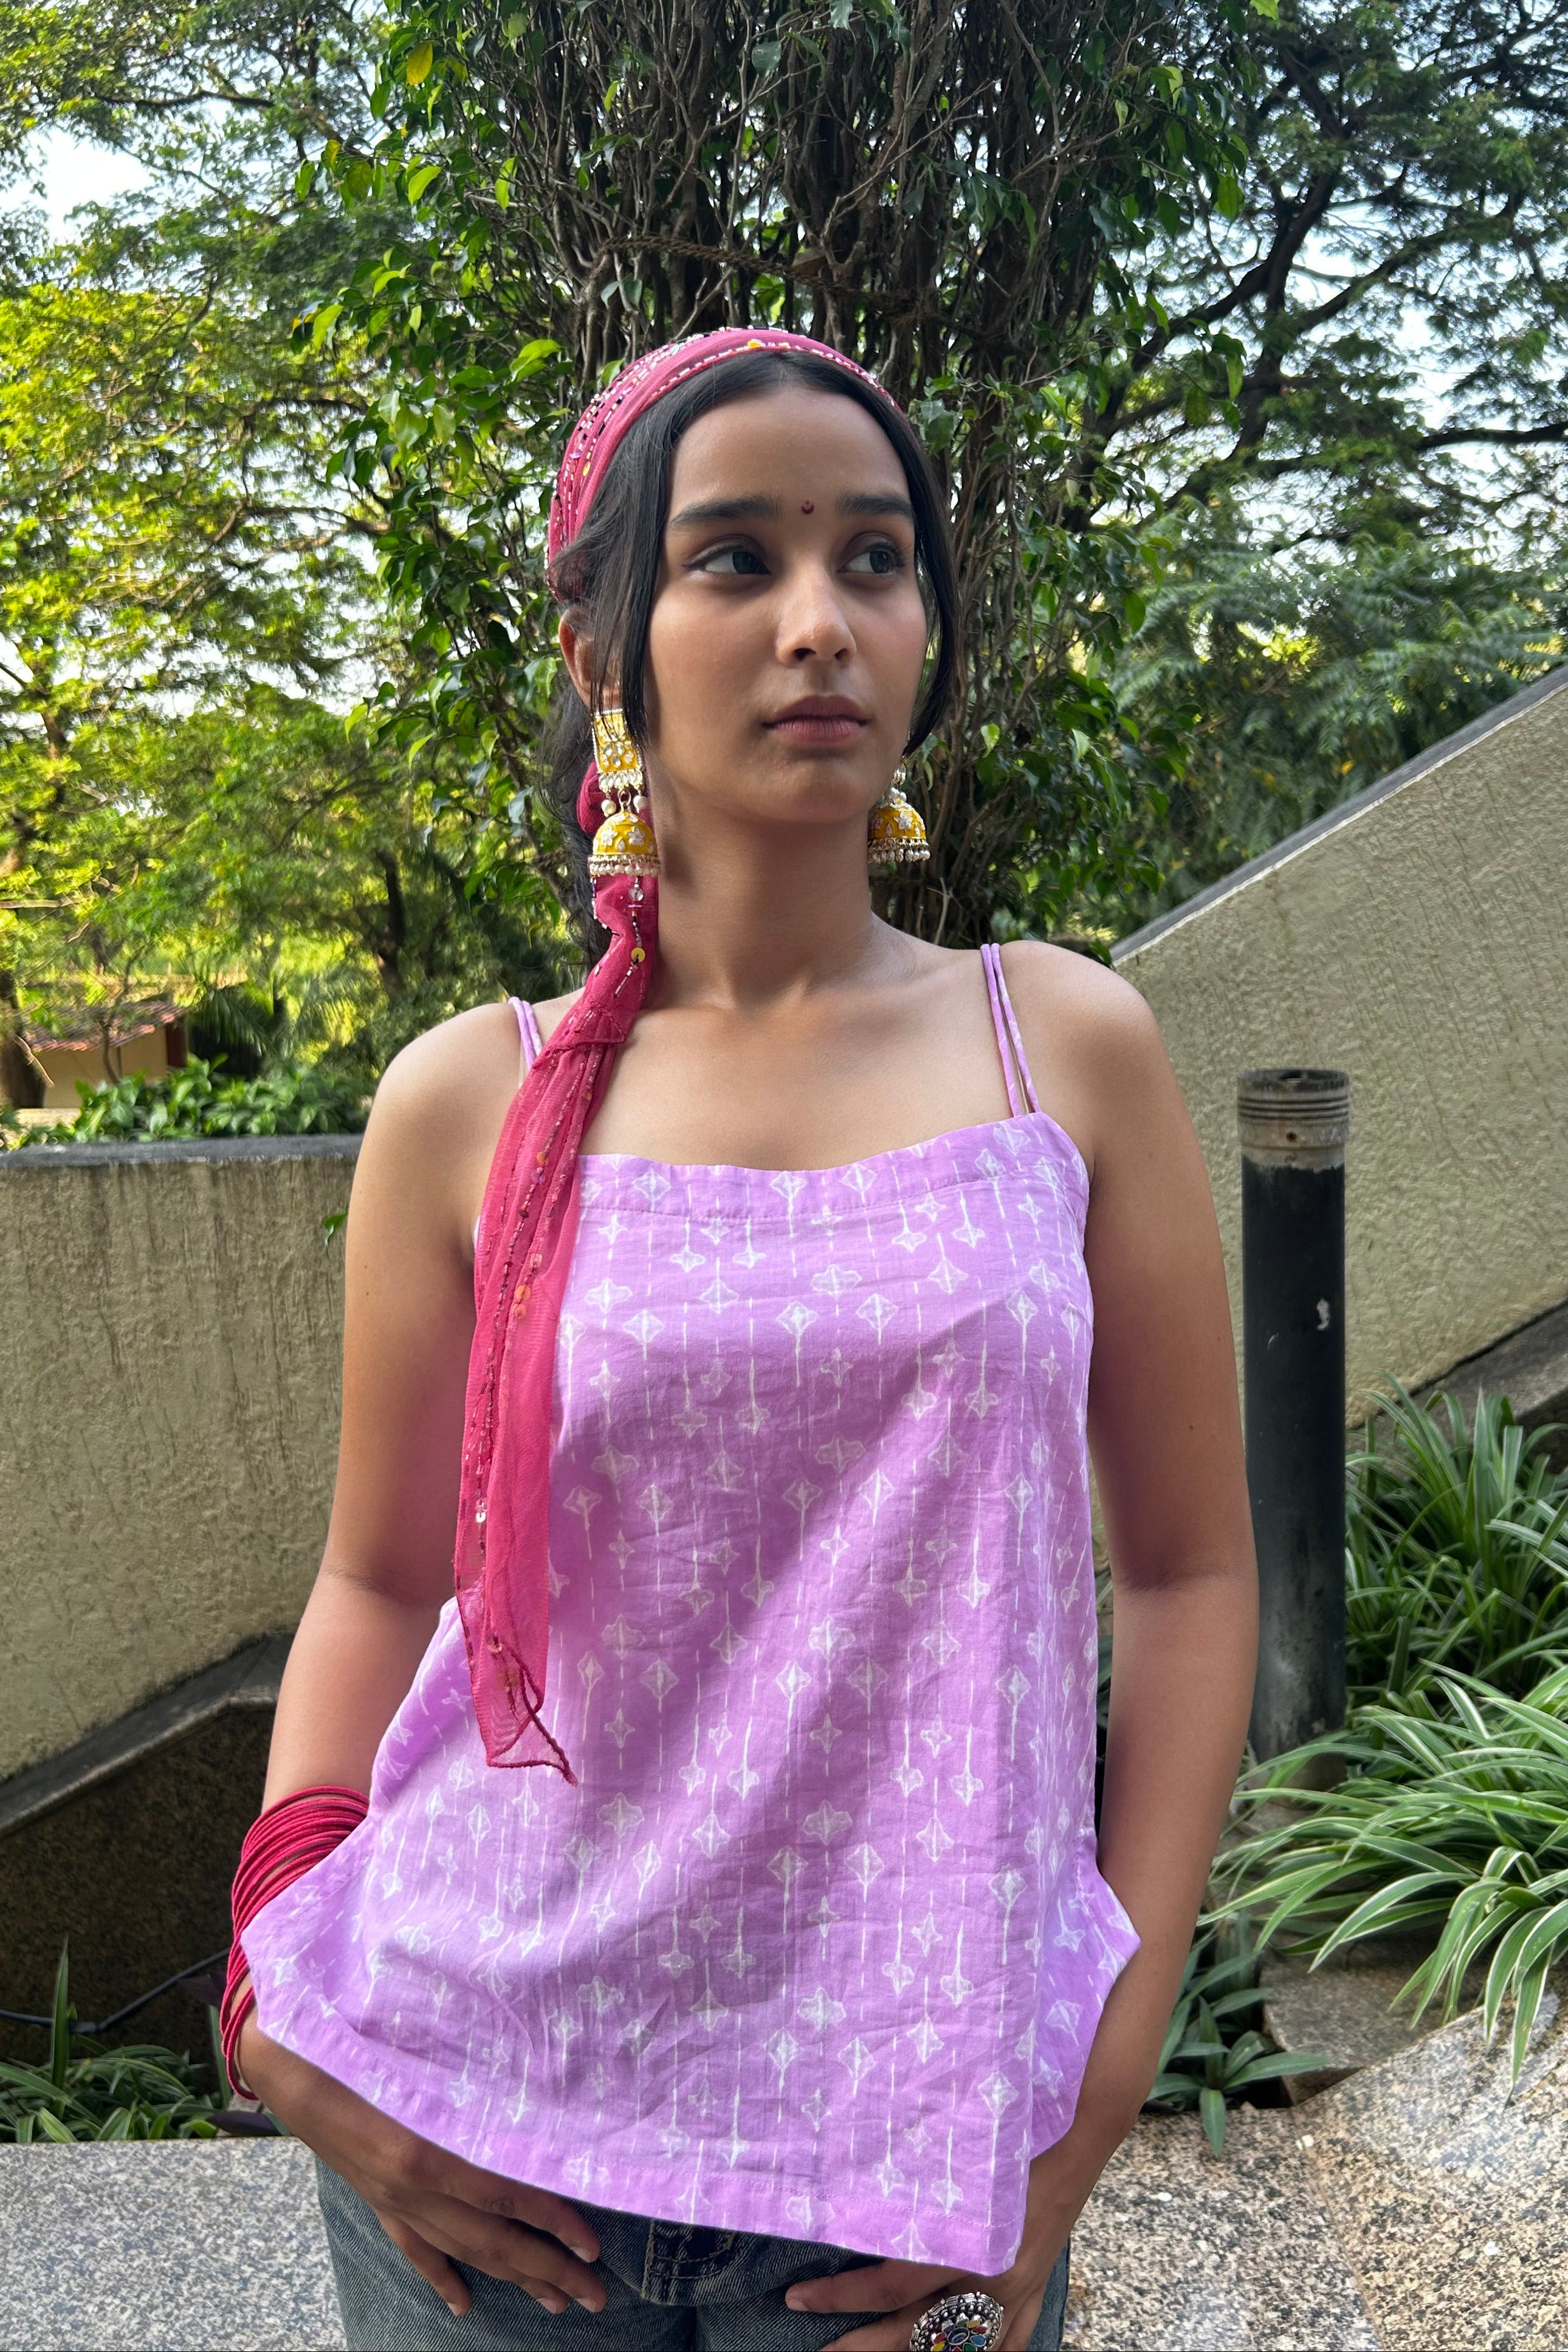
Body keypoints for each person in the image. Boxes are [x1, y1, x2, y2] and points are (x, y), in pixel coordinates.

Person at [227, 328, 1257, 2352]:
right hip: (482, 2121)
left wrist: (1101, 2066)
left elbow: (1188, 1570)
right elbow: (376, 1582)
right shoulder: (473, 1100)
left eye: (875, 560)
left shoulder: (1058, 1049)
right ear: (600, 653)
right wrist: (273, 1983)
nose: (818, 623)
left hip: (907, 2143)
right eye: (733, 561)